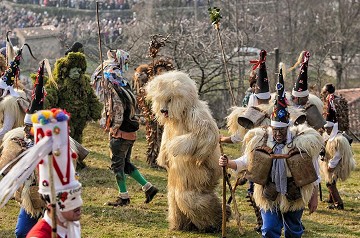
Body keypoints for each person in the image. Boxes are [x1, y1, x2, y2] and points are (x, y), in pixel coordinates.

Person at [219, 66, 323, 237]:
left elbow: (314, 168)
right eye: (275, 131)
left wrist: (314, 196)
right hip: (269, 192)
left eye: (281, 131)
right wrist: (228, 163)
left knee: (294, 230)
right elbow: (247, 160)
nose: (278, 134)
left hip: (294, 193)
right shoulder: (261, 139)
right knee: (269, 229)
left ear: (288, 127)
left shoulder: (302, 143)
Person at [0, 109, 83, 238]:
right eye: (73, 199)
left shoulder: (72, 226)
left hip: (51, 196)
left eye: (78, 197)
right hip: (32, 196)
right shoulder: (17, 145)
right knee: (22, 231)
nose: (80, 204)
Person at [102, 49, 158, 206]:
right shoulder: (126, 89)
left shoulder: (116, 94)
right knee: (125, 164)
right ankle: (148, 187)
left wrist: (112, 128)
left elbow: (118, 114)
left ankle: (124, 196)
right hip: (130, 135)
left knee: (117, 166)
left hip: (120, 135)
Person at [319, 94, 355, 210]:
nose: (327, 131)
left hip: (337, 165)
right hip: (332, 165)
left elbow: (339, 154)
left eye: (329, 129)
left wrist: (331, 165)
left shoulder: (338, 140)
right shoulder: (330, 137)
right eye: (326, 129)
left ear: (333, 128)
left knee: (330, 183)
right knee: (330, 181)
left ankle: (338, 203)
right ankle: (331, 199)